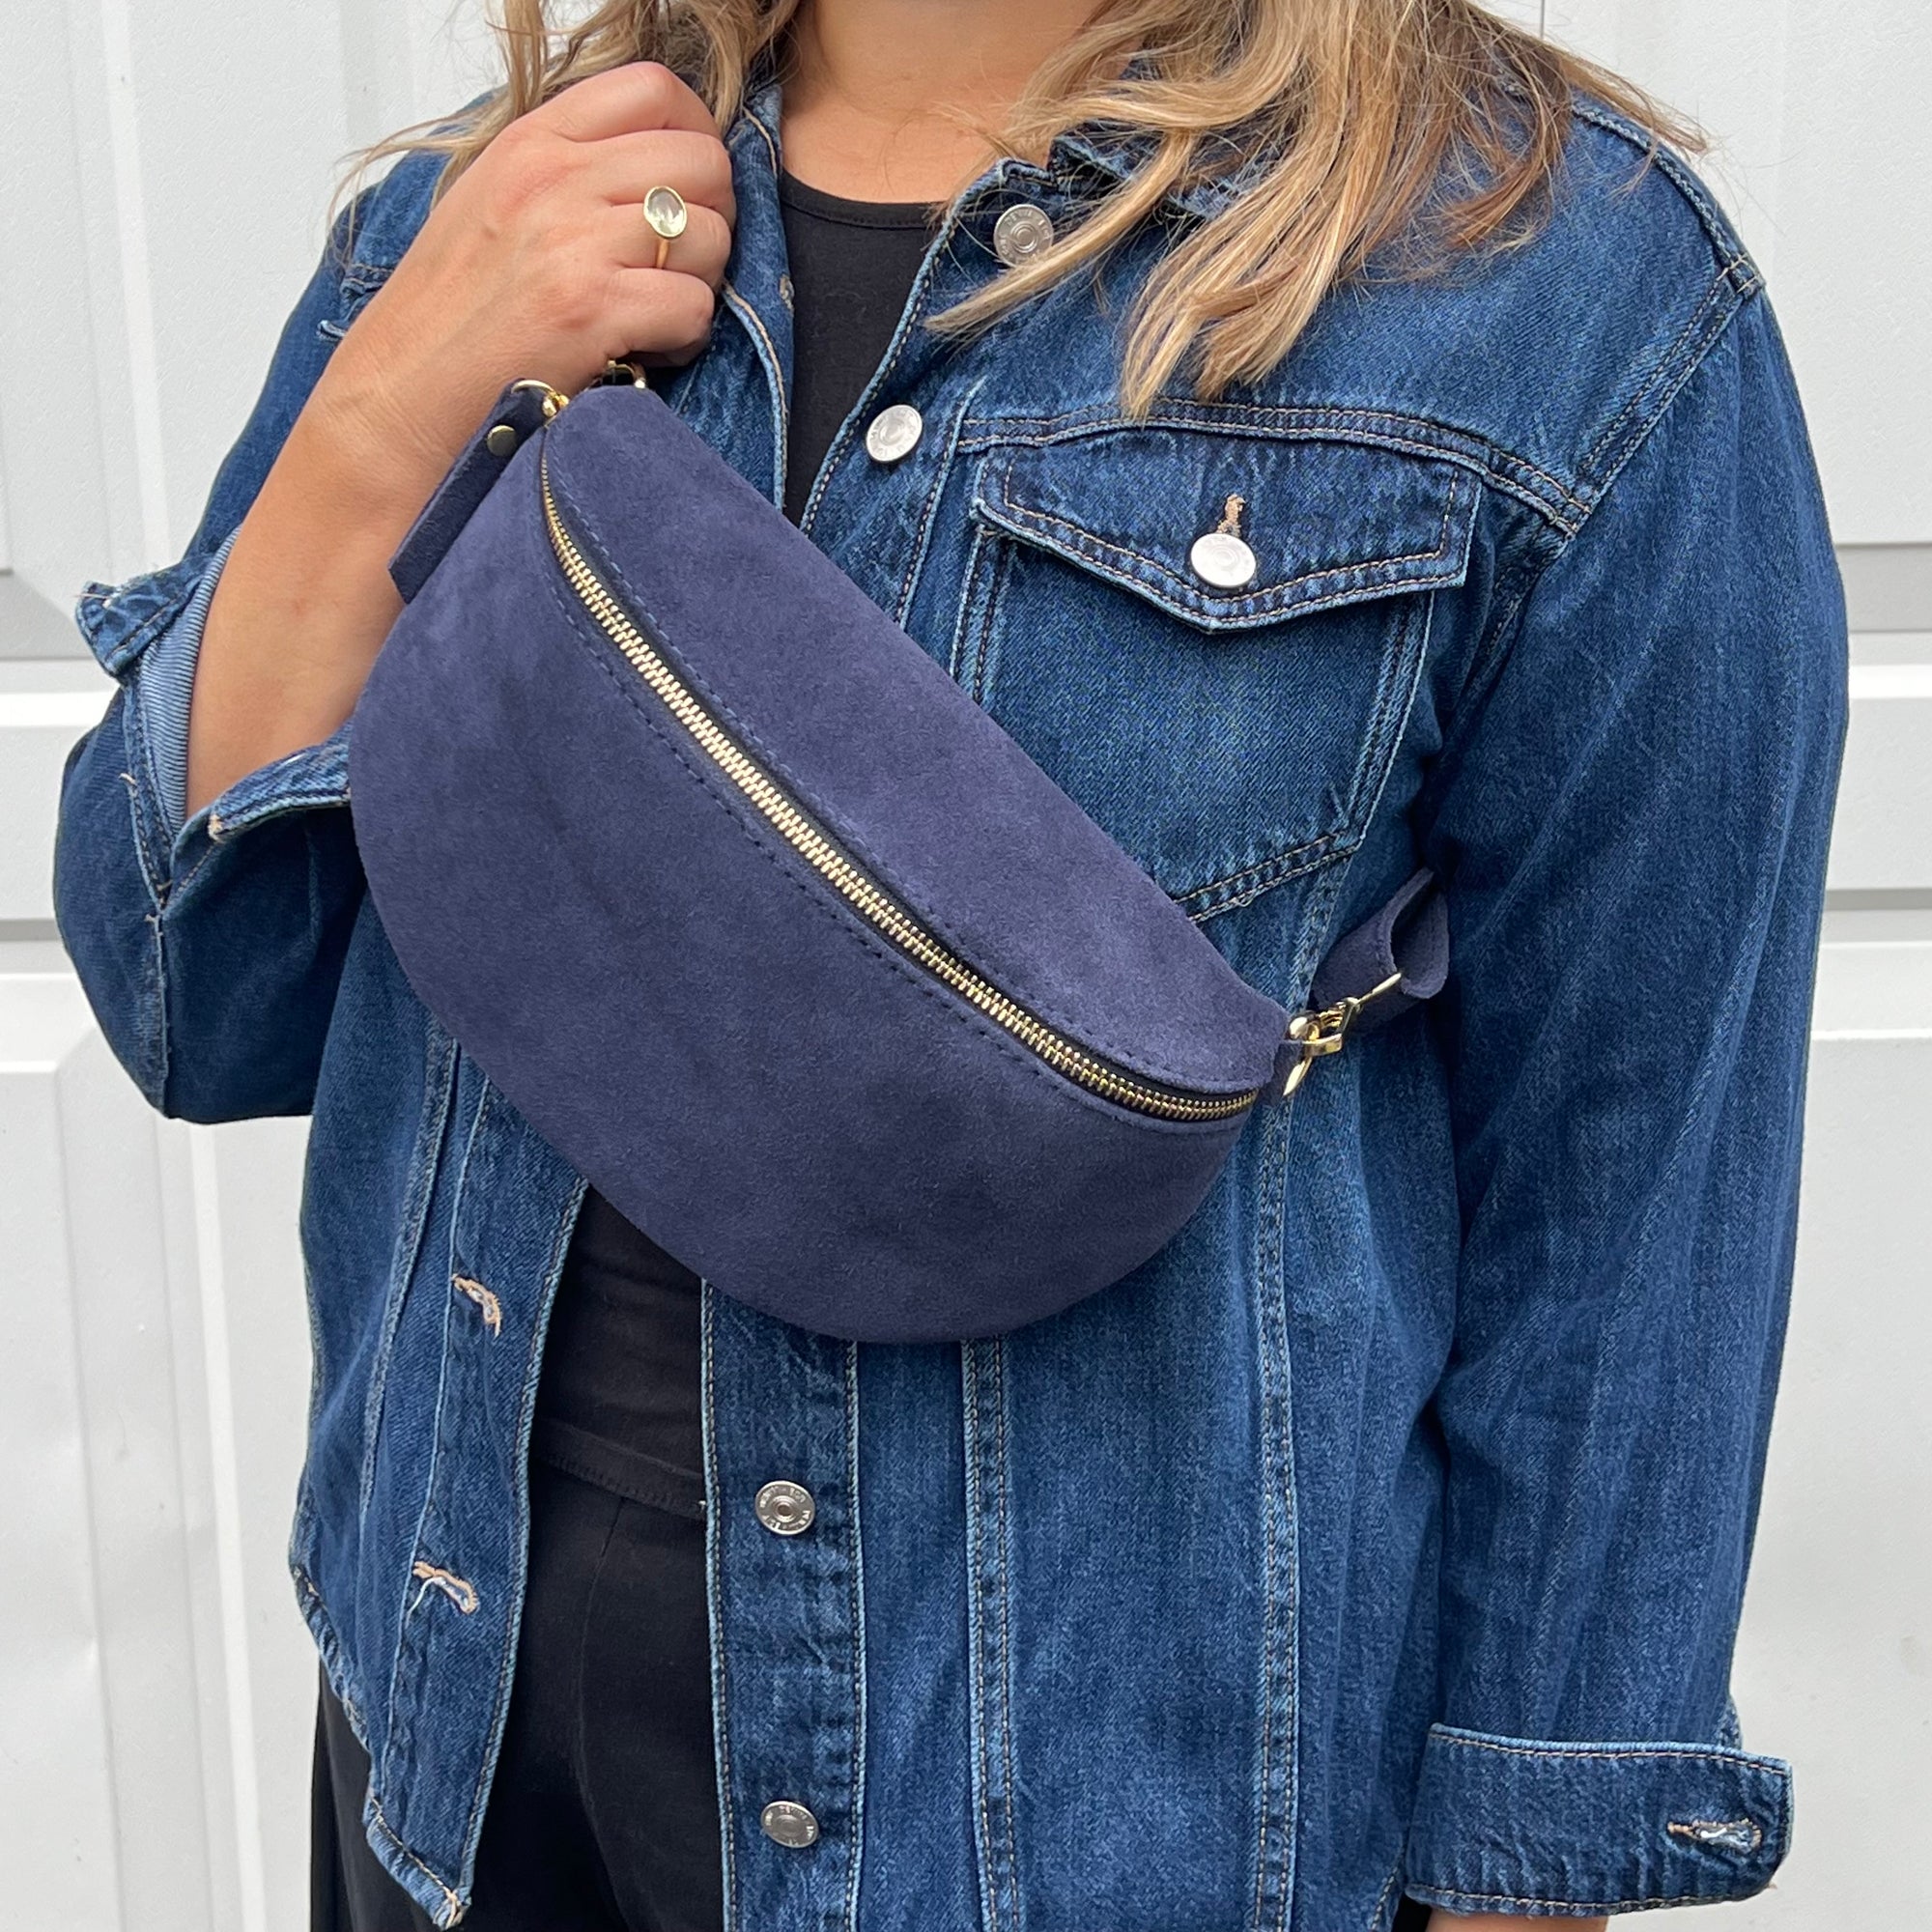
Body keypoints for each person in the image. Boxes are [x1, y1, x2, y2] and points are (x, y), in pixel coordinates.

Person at [52, 0, 1847, 1926]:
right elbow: (198, 989)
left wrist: (1521, 1885)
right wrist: (391, 395)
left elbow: (1630, 1212)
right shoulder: (488, 204)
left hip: (1093, 1832)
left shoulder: (1554, 283)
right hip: (458, 1754)